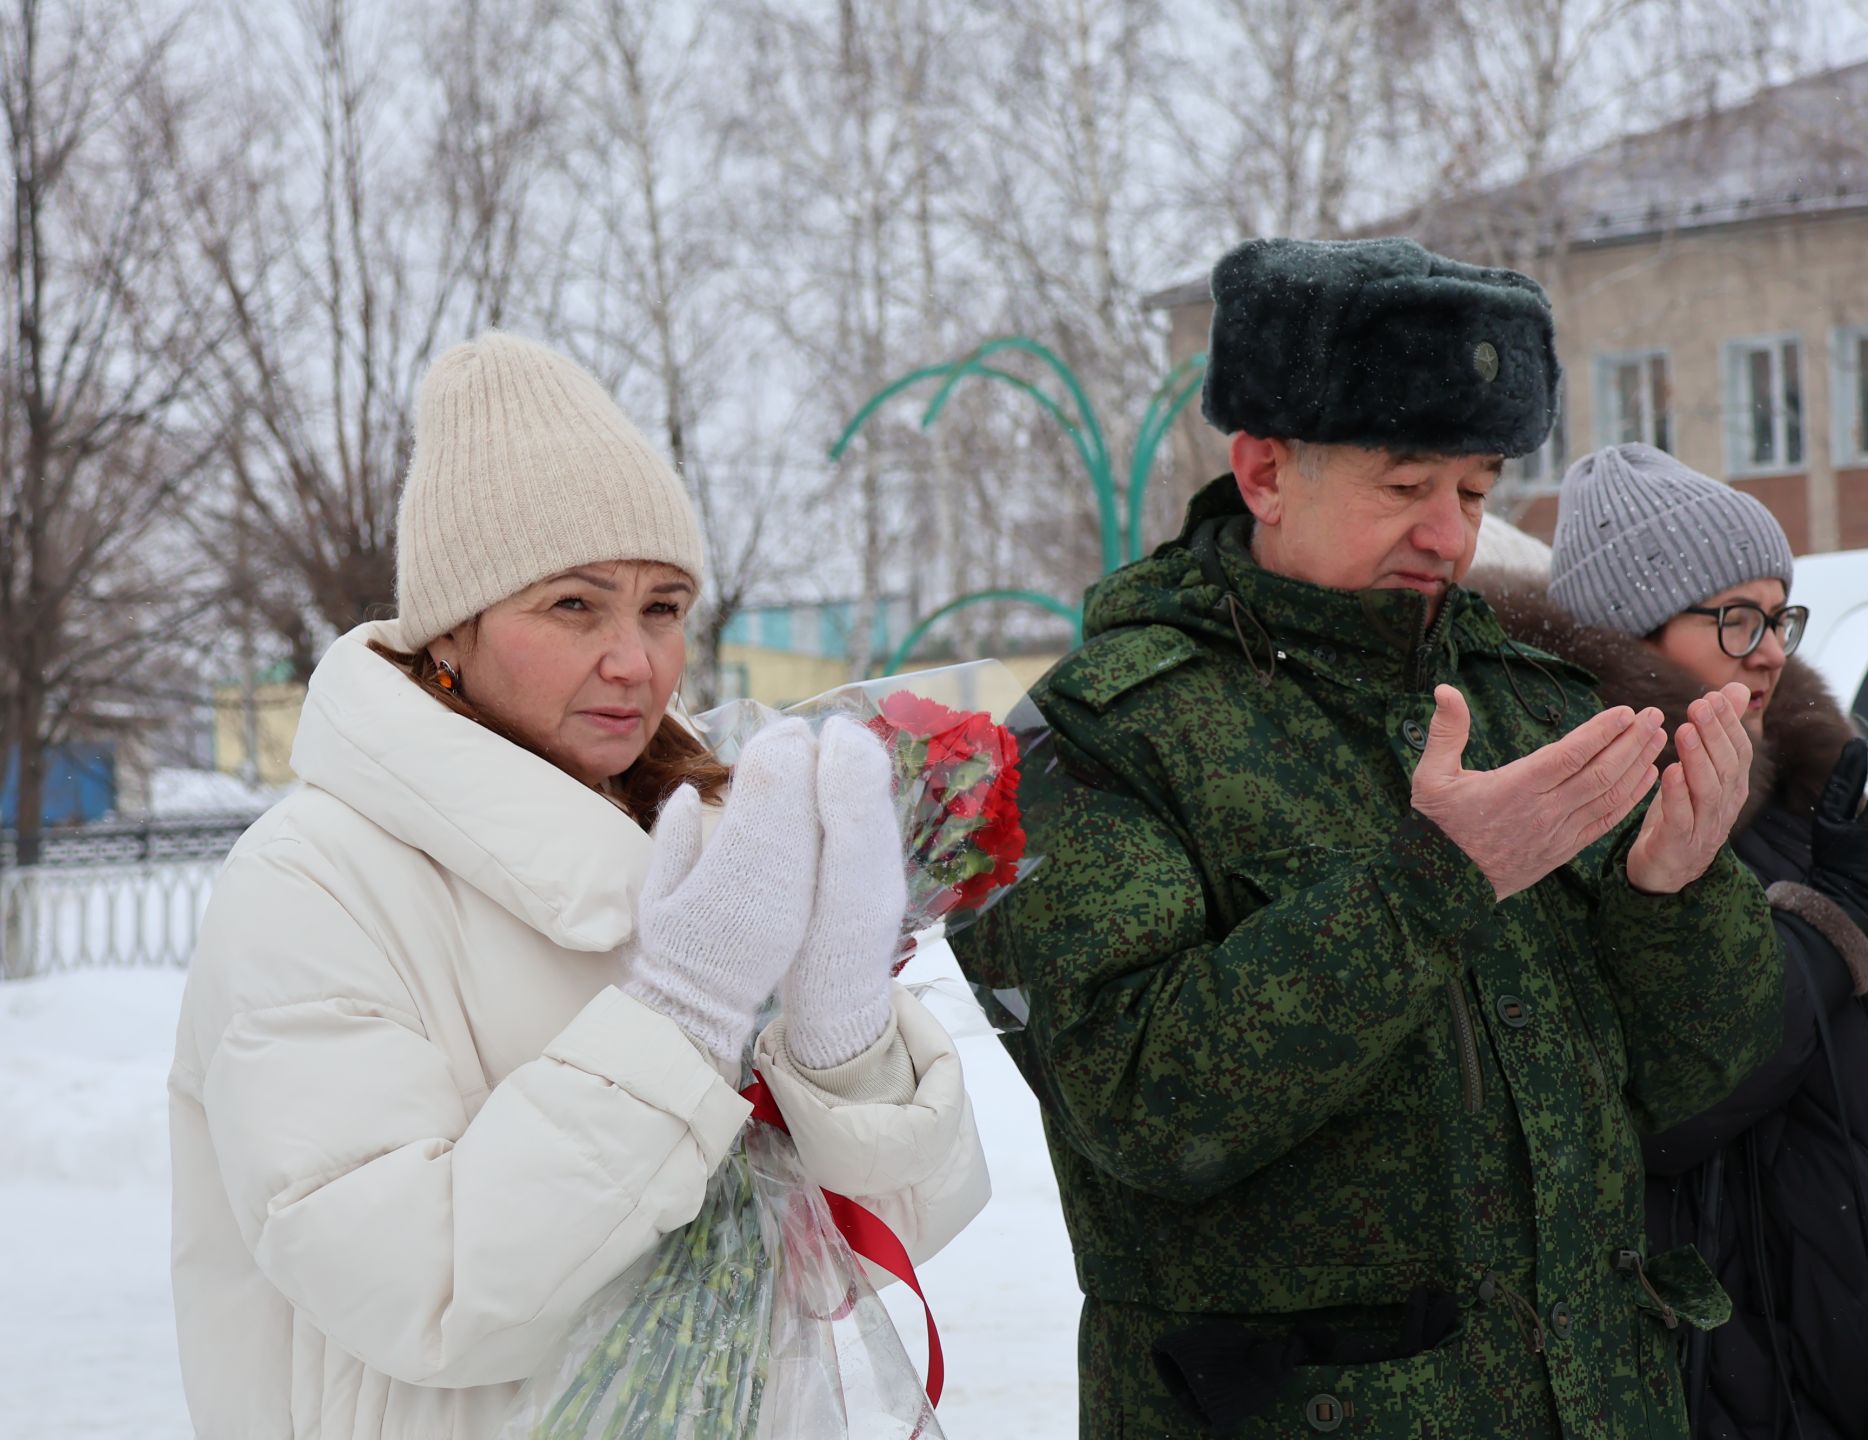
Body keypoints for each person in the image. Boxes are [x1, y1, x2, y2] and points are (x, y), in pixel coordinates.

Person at [953, 237, 1784, 1438]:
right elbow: (1145, 1107)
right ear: (1265, 470)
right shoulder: (1086, 741)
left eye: (1477, 492)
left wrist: (1673, 896)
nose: (1450, 536)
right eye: (1405, 488)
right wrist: (1431, 888)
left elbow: (1694, 1085)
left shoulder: (1539, 705)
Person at [168, 333, 989, 1439]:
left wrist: (841, 1043)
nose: (636, 661)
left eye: (662, 607)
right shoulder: (313, 880)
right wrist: (679, 1022)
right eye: (574, 607)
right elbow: (422, 1290)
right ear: (450, 629)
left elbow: (868, 1248)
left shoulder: (710, 839)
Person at [1481, 443, 1868, 1440]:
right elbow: (1672, 1104)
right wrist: (1842, 908)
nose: (1769, 648)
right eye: (1734, 618)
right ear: (1630, 630)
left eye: (1778, 615)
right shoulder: (1594, 810)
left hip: (1867, 1303)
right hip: (1742, 1338)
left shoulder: (1806, 783)